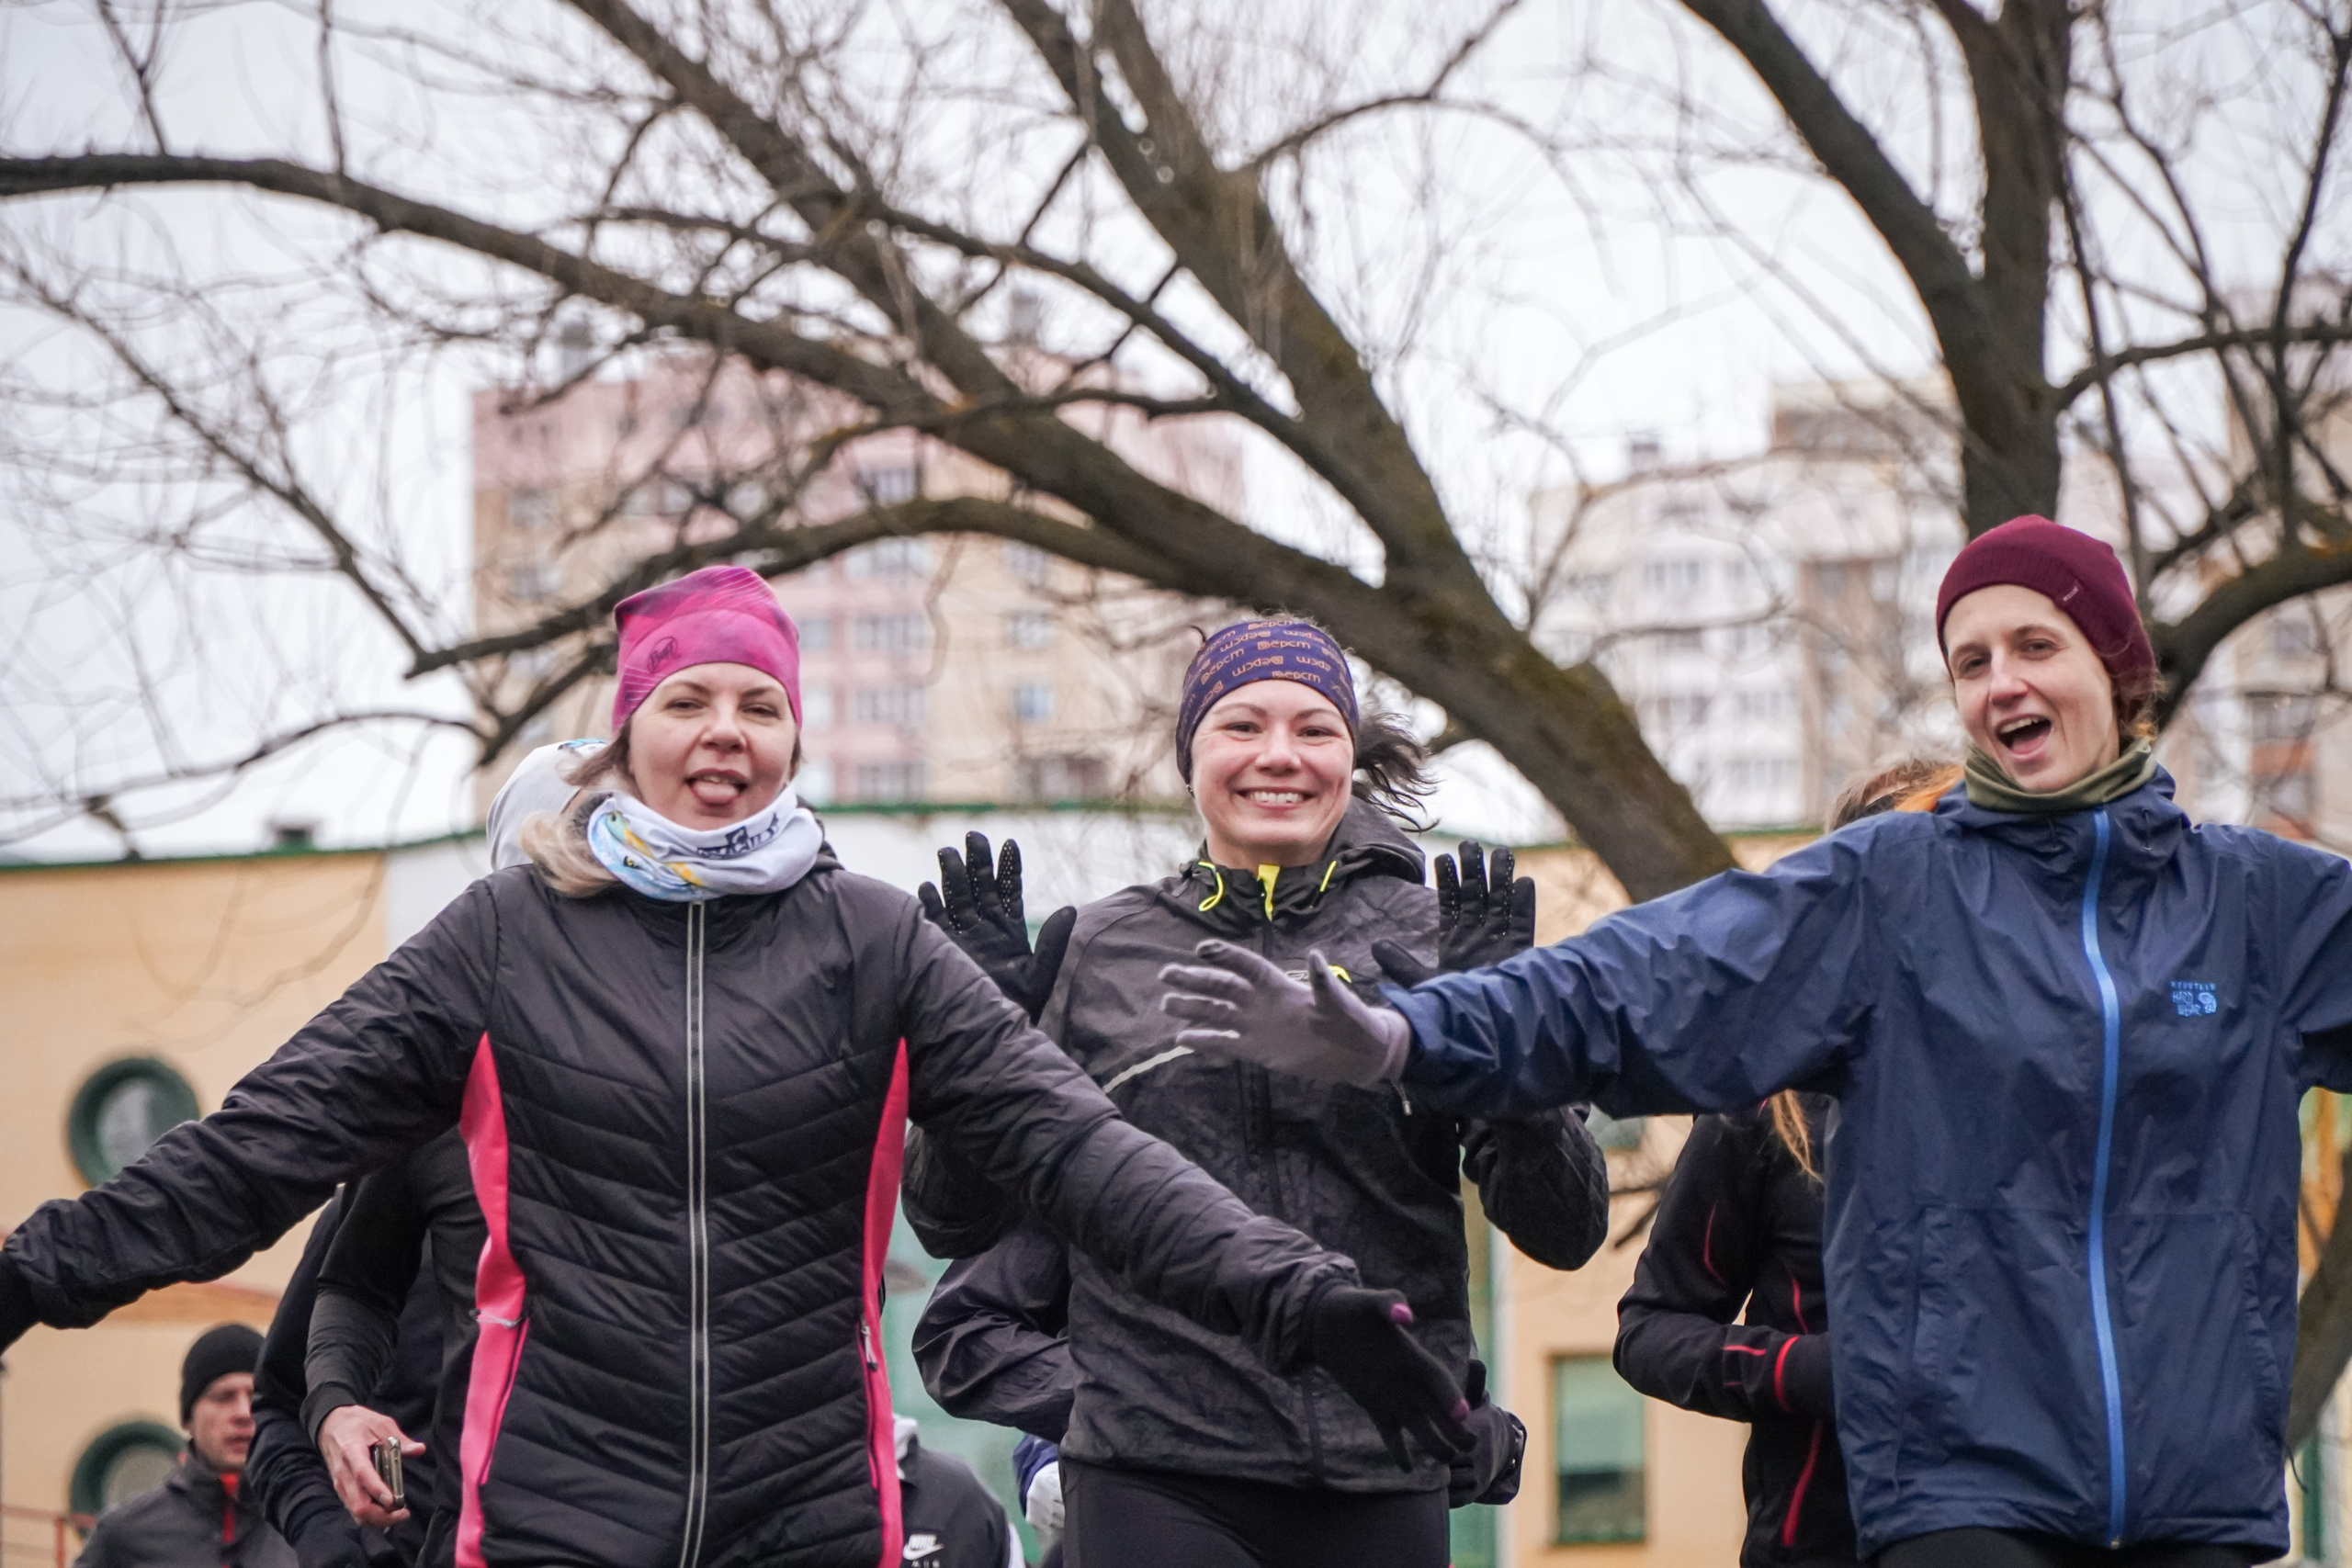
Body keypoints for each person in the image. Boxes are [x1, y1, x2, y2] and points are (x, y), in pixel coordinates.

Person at [0, 566, 1467, 1568]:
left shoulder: (872, 940)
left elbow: (1083, 1152)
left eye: (759, 706)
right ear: (627, 729)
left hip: (809, 1510)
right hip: (556, 1509)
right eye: (691, 701)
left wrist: (1304, 1291)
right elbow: (257, 1142)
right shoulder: (502, 939)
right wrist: (31, 1274)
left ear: (794, 735)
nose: (726, 734)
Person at [1161, 516, 2352, 1567]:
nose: (2000, 682)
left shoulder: (2257, 906)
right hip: (1969, 1479)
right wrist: (1408, 1034)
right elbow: (1648, 976)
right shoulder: (1895, 890)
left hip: (2193, 1480)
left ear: (2120, 665)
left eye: (2036, 645)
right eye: (1970, 661)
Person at [905, 617, 1608, 1568]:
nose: (1279, 756)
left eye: (1314, 731)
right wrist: (973, 1061)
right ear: (1189, 755)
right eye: (1241, 727)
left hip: (1381, 1457)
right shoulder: (1095, 953)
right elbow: (955, 1226)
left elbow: (1565, 1231)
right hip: (1155, 1468)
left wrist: (1511, 1056)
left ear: (1348, 758)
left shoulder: (1439, 942)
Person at [1613, 757, 1959, 1568]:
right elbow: (1649, 1330)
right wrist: (1806, 1369)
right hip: (1819, 1547)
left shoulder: (2050, 1082)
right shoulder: (1768, 1103)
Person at [76, 1324, 298, 1568]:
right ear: (188, 1417)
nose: (244, 1413)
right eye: (223, 1397)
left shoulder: (311, 1526)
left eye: (256, 1397)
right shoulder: (123, 1535)